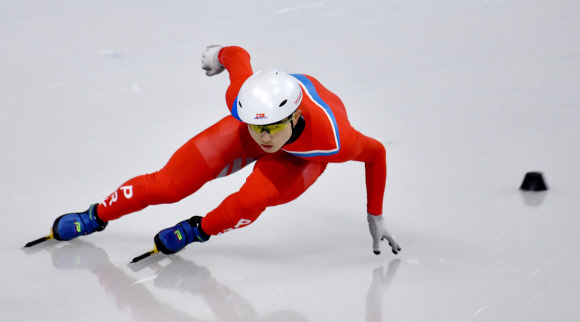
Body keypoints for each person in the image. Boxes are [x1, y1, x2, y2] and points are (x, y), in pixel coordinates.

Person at [48, 45, 401, 256]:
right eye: (256, 125)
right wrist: (217, 55)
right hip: (248, 131)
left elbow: (377, 154)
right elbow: (237, 55)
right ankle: (95, 216)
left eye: (273, 127)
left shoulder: (335, 140)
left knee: (253, 199)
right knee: (168, 185)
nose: (264, 138)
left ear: (294, 116)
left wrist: (375, 214)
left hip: (302, 155)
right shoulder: (242, 99)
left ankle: (197, 230)